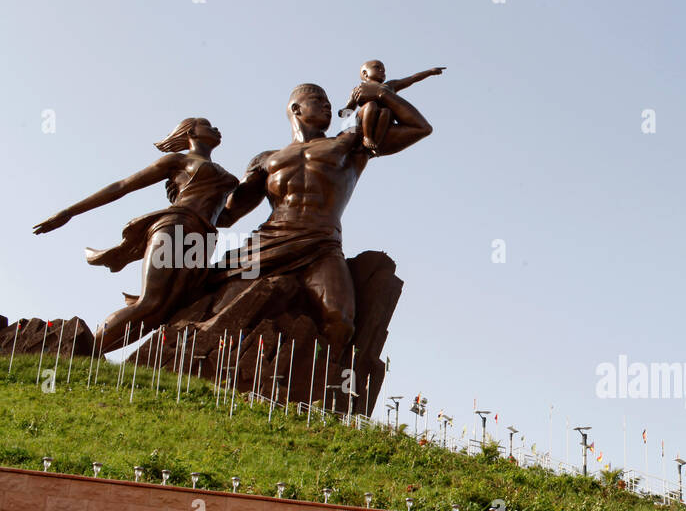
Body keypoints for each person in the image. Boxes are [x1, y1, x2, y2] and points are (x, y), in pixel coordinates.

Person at [217, 81, 431, 349]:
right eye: (318, 100)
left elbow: (420, 128)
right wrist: (200, 189)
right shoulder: (266, 159)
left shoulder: (351, 145)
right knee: (224, 305)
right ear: (296, 108)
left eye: (329, 102)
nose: (327, 105)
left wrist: (382, 93)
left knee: (339, 320)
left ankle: (311, 387)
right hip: (268, 243)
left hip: (321, 244)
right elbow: (226, 215)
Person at [32, 118, 237, 349]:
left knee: (166, 309)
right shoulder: (178, 160)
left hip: (204, 238)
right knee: (151, 301)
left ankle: (94, 356)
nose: (216, 129)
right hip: (175, 225)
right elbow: (123, 186)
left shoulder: (226, 174)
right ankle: (82, 351)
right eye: (208, 125)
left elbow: (228, 217)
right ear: (191, 132)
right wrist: (69, 211)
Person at [339, 60, 444, 154]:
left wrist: (430, 72)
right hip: (365, 116)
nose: (382, 71)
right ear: (365, 73)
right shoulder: (359, 88)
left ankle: (376, 142)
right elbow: (350, 107)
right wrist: (344, 114)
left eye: (383, 70)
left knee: (387, 112)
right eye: (377, 67)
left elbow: (411, 79)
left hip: (382, 118)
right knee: (371, 105)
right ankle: (367, 137)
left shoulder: (389, 86)